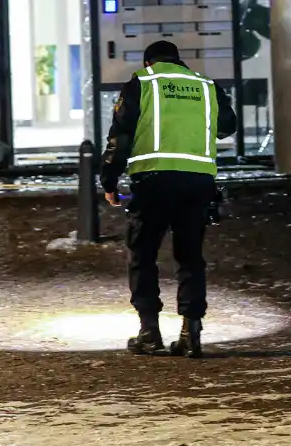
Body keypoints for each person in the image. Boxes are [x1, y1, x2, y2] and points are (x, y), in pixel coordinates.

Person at [100, 40, 238, 358]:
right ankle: (191, 332)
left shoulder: (142, 83)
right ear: (178, 60)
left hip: (153, 183)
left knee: (143, 255)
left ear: (149, 62)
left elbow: (119, 137)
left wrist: (109, 181)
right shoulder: (206, 86)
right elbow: (226, 127)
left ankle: (149, 332)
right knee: (190, 257)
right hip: (198, 183)